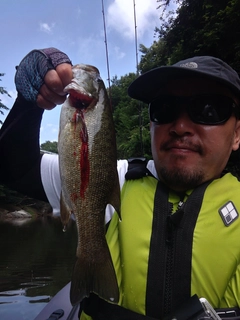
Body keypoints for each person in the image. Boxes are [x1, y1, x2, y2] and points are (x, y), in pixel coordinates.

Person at [0, 48, 240, 320]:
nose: (181, 126)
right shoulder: (115, 177)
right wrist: (29, 103)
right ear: (151, 125)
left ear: (237, 134)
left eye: (209, 110)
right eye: (165, 109)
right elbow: (12, 168)